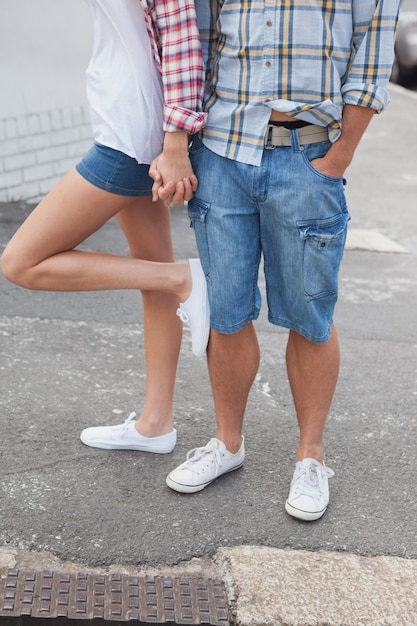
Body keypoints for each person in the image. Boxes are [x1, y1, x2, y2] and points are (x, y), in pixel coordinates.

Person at [163, 0, 400, 520]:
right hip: (222, 153)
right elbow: (195, 47)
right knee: (226, 312)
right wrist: (181, 143)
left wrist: (337, 161)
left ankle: (311, 457)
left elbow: (371, 56)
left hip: (308, 155)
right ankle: (228, 444)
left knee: (308, 315)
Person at [0, 0, 210, 454]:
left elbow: (179, 34)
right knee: (154, 282)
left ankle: (182, 278)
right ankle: (156, 424)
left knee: (21, 262)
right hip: (131, 123)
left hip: (130, 134)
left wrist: (176, 140)